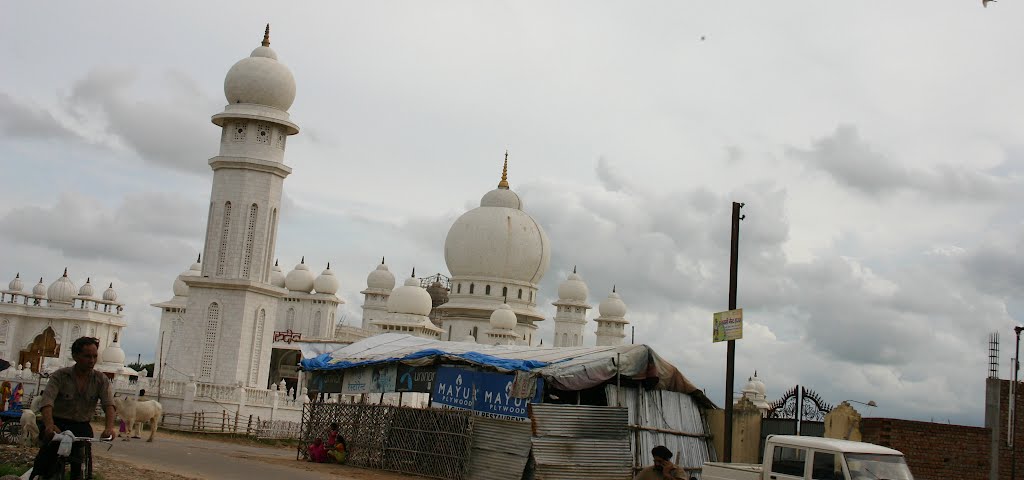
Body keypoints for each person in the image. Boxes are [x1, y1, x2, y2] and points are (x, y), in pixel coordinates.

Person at [31, 337, 116, 480]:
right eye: (87, 356)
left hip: (81, 426)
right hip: (57, 425)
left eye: (94, 356)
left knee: (80, 465)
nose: (92, 361)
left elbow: (109, 405)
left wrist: (109, 428)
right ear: (75, 356)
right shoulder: (60, 376)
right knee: (43, 464)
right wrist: (50, 425)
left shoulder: (101, 379)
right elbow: (47, 401)